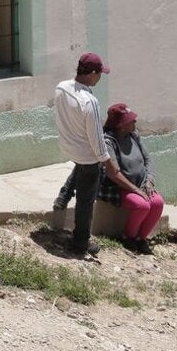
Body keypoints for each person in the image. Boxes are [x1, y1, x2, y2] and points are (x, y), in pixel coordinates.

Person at [51, 52, 115, 257]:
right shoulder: (90, 101)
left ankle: (63, 195)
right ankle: (80, 242)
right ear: (92, 74)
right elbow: (97, 138)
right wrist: (108, 161)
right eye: (100, 74)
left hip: (68, 146)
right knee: (86, 200)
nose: (100, 78)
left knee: (82, 169)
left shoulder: (61, 88)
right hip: (86, 155)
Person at [95, 104, 164, 255]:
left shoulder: (134, 135)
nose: (135, 123)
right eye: (131, 121)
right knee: (142, 205)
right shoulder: (109, 142)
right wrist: (135, 190)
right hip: (119, 187)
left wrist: (149, 180)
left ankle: (141, 239)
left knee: (157, 202)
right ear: (122, 126)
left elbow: (148, 159)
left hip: (141, 183)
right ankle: (128, 237)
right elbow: (113, 173)